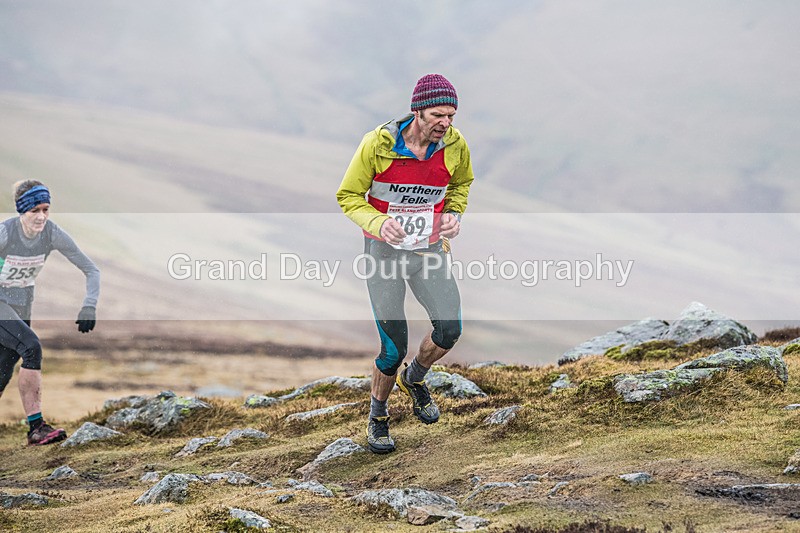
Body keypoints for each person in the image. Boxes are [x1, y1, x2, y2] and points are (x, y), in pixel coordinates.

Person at [336, 74, 474, 453]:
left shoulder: (455, 145)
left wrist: (453, 214)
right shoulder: (377, 143)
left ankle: (415, 379)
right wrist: (379, 223)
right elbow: (348, 195)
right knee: (392, 350)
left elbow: (461, 184)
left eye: (451, 115)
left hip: (428, 250)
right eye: (437, 115)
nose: (445, 123)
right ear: (417, 111)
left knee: (449, 330)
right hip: (383, 254)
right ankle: (378, 417)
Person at [0, 180, 100, 445]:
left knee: (3, 369)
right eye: (35, 210)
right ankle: (36, 428)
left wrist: (89, 304)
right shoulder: (5, 233)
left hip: (21, 304)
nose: (41, 216)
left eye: (46, 209)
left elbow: (91, 269)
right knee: (31, 346)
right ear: (22, 210)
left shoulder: (52, 234)